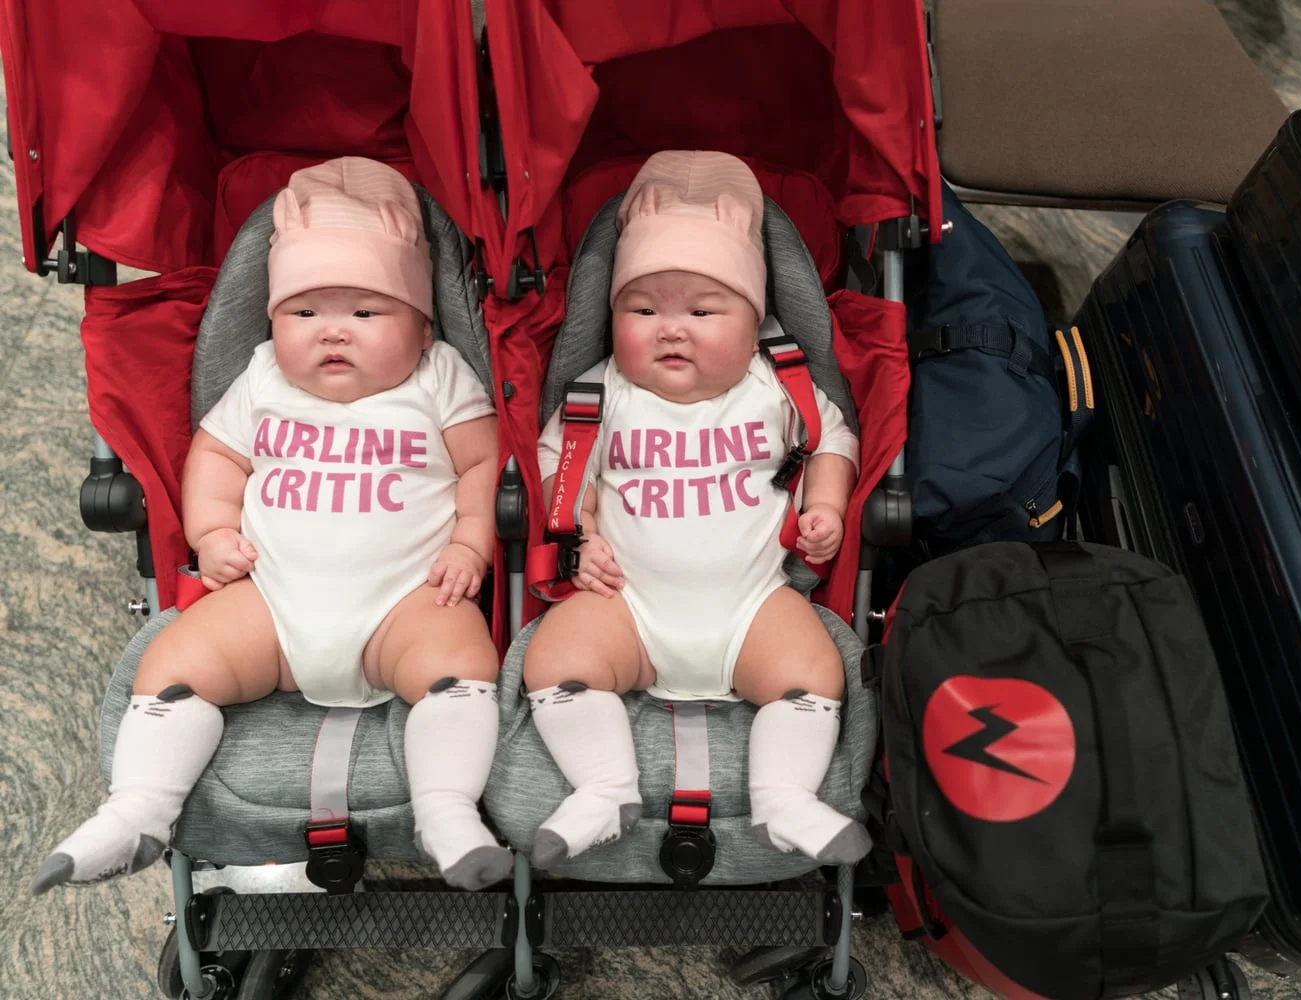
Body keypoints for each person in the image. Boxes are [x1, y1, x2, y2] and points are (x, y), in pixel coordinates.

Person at [33, 158, 511, 894]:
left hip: (404, 606)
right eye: (304, 313)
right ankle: (138, 810)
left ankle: (445, 811)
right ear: (272, 321)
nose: (333, 334)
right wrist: (213, 529)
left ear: (421, 330)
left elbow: (482, 464)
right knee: (177, 658)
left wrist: (469, 541)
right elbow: (218, 454)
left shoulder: (439, 376)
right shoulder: (262, 377)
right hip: (273, 601)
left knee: (463, 662)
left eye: (366, 312)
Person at [523, 151, 872, 868]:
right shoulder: (602, 393)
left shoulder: (777, 387)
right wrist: (580, 536)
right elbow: (558, 468)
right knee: (553, 659)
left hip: (752, 604)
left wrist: (826, 505)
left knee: (815, 672)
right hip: (629, 607)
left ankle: (785, 798)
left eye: (703, 311)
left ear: (754, 321)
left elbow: (832, 438)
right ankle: (603, 786)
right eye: (642, 309)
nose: (670, 329)